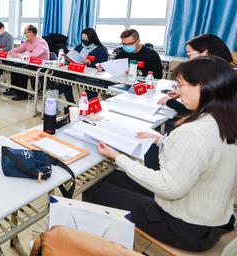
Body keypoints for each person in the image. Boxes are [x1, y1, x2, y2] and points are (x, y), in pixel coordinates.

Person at [84, 56, 237, 252]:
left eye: (181, 85)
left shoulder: (195, 132)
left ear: (201, 86)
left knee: (95, 188)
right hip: (215, 219)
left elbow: (168, 187)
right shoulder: (226, 120)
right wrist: (161, 140)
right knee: (109, 178)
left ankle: (104, 249)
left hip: (185, 227)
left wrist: (118, 157)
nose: (178, 91)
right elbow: (202, 157)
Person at [158, 34, 235, 117]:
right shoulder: (224, 71)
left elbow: (193, 112)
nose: (188, 60)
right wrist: (184, 93)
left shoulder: (216, 76)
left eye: (189, 55)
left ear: (205, 53)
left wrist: (169, 101)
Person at [56, 28, 109, 106]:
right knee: (62, 76)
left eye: (86, 39)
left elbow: (102, 65)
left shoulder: (101, 50)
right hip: (78, 72)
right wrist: (69, 59)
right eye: (82, 39)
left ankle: (88, 107)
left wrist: (90, 63)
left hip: (92, 76)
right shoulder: (79, 47)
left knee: (91, 85)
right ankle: (70, 102)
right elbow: (74, 56)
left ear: (92, 38)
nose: (84, 41)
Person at [5, 25, 50, 101]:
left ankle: (23, 94)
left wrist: (19, 55)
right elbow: (19, 49)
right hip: (30, 63)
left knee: (21, 70)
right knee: (14, 66)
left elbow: (33, 56)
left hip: (41, 66)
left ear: (31, 33)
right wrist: (10, 52)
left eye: (25, 33)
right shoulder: (27, 42)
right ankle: (14, 89)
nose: (24, 35)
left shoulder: (41, 43)